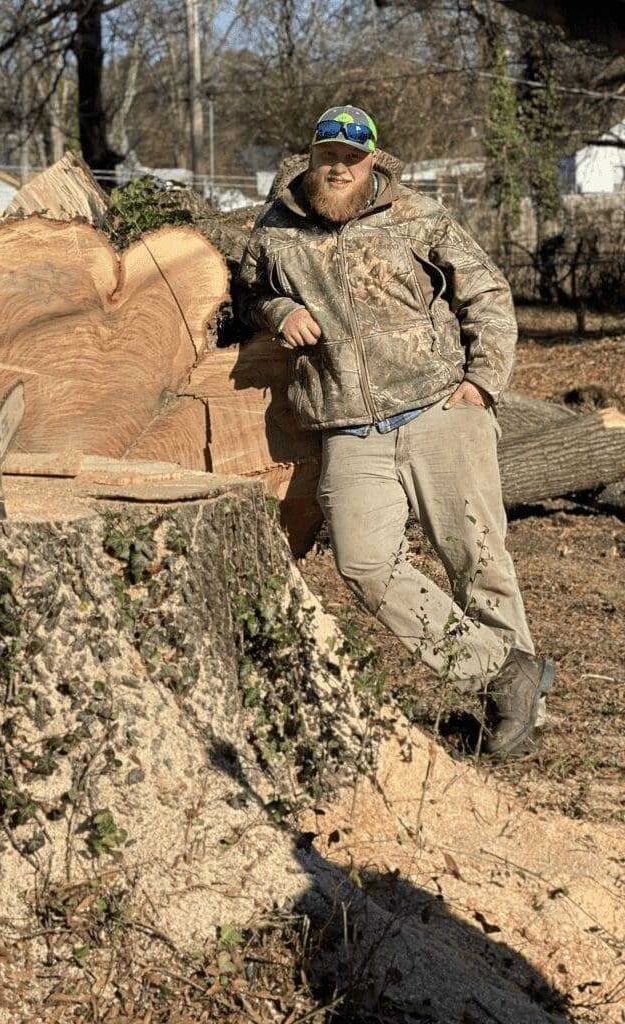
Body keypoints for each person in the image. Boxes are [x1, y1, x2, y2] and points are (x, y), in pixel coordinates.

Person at [238, 105, 553, 757]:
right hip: (349, 427)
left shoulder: (418, 217)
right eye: (330, 156)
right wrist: (279, 308)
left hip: (442, 411)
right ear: (312, 156)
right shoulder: (275, 229)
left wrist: (483, 384)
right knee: (365, 563)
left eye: (353, 159)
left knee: (478, 559)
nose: (340, 168)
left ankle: (524, 721)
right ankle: (500, 674)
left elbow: (487, 295)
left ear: (373, 163)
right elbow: (246, 292)